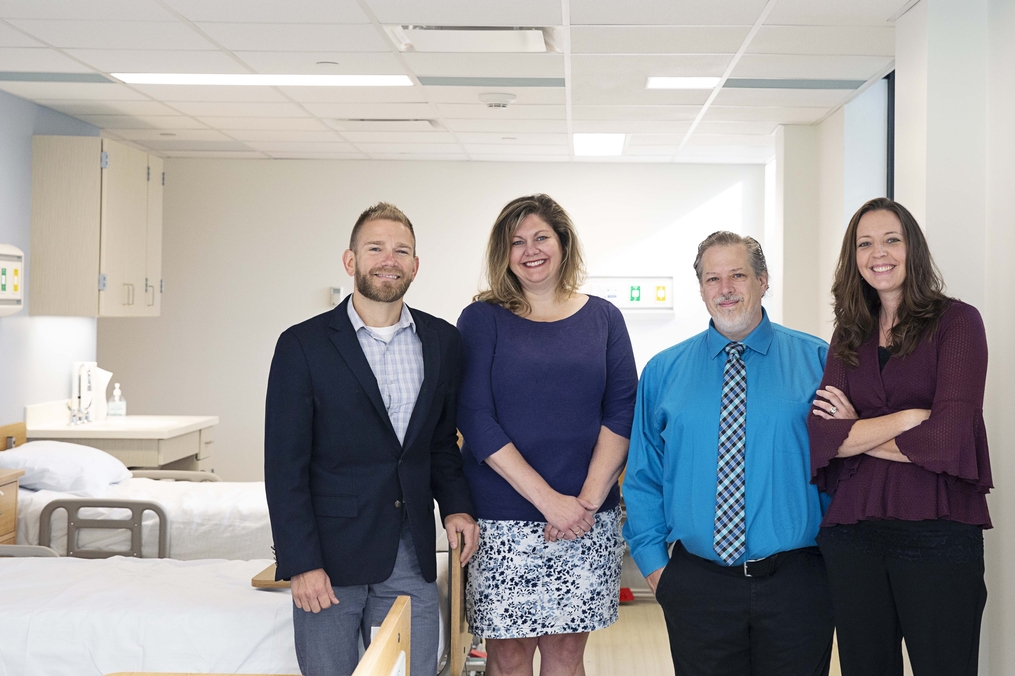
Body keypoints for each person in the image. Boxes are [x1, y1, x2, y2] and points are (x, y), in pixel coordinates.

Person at [264, 202, 480, 676]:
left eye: (402, 250)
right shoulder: (303, 345)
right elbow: (284, 467)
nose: (390, 259)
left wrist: (458, 506)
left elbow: (441, 442)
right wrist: (301, 563)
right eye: (376, 247)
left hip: (410, 553)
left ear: (415, 265)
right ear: (351, 260)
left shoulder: (443, 342)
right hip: (329, 558)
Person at [623, 231, 834, 676]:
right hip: (698, 584)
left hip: (798, 582)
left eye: (737, 274)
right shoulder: (664, 372)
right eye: (712, 278)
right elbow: (643, 477)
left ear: (763, 280)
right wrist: (659, 571)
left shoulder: (818, 361)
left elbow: (844, 469)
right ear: (700, 289)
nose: (725, 289)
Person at [808, 197, 992, 676]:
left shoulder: (958, 322)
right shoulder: (849, 334)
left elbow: (950, 439)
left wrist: (857, 432)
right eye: (864, 244)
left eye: (892, 239)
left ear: (914, 249)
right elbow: (823, 438)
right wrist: (912, 417)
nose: (878, 253)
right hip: (853, 536)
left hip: (938, 530)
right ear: (854, 259)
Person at [456, 194, 638, 676]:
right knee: (508, 655)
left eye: (541, 237)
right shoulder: (482, 319)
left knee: (565, 652)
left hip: (586, 514)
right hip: (503, 518)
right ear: (503, 253)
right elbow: (474, 416)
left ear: (563, 242)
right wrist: (548, 502)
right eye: (516, 242)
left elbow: (622, 409)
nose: (530, 250)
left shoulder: (603, 318)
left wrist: (586, 501)